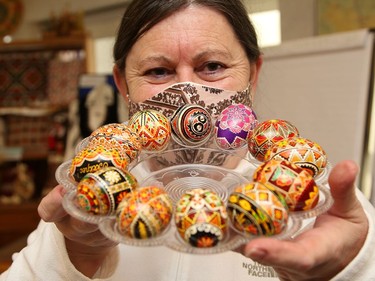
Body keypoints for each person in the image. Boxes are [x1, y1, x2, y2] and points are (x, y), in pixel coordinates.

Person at [2, 0, 375, 280]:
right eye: (158, 71)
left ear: (253, 74)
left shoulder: (310, 196)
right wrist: (78, 255)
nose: (188, 92)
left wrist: (350, 267)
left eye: (212, 66)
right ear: (122, 85)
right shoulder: (95, 195)